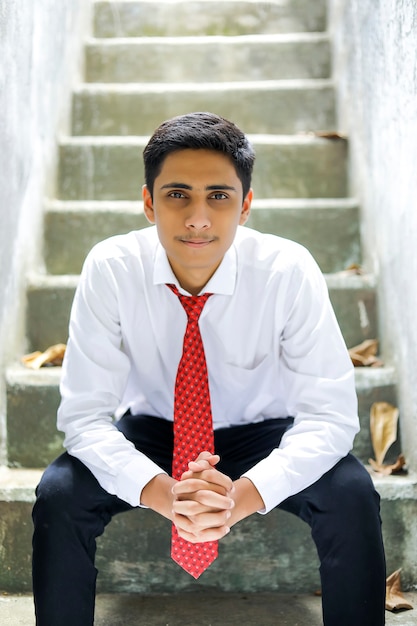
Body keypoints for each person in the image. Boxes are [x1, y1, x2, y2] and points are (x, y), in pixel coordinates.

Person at [32, 112, 386, 625]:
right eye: (178, 195)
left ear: (245, 205)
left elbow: (329, 419)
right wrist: (165, 494)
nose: (198, 217)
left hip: (263, 431)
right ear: (149, 201)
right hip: (155, 429)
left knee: (351, 493)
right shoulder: (111, 268)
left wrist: (238, 499)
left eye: (218, 196)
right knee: (59, 493)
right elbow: (84, 418)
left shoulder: (287, 270)